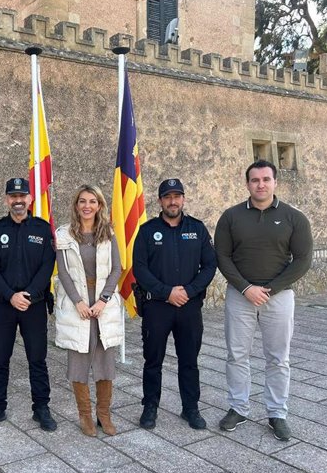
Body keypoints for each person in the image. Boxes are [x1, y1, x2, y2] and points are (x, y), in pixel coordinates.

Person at [215, 160, 312, 441]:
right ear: (247, 184)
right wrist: (246, 288)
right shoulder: (231, 217)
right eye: (255, 180)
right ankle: (238, 408)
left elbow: (303, 260)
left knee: (278, 358)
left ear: (275, 182)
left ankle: (277, 413)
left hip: (279, 298)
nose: (261, 184)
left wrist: (269, 289)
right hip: (239, 296)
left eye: (266, 179)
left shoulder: (294, 218)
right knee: (237, 354)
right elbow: (223, 256)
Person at [132, 179, 216, 430]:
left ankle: (190, 407)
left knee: (189, 360)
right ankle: (150, 407)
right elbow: (140, 269)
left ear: (183, 199)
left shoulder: (197, 229)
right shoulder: (147, 231)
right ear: (160, 201)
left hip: (189, 307)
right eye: (167, 196)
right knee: (152, 360)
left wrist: (188, 291)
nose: (173, 201)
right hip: (157, 307)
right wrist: (166, 292)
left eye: (177, 196)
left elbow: (210, 265)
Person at [0, 178, 57, 432]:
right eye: (13, 196)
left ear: (30, 199)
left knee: (37, 358)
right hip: (3, 305)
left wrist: (29, 294)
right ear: (6, 200)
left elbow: (47, 266)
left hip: (34, 306)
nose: (18, 200)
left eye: (22, 195)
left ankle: (41, 407)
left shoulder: (43, 229)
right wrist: (11, 295)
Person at [54, 185, 124, 436]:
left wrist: (103, 300)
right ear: (76, 205)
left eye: (92, 201)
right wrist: (79, 303)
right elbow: (63, 273)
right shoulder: (63, 234)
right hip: (79, 305)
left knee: (105, 362)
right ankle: (84, 416)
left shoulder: (108, 233)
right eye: (82, 201)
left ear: (99, 205)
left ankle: (104, 415)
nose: (87, 206)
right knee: (79, 362)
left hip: (103, 304)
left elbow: (117, 268)